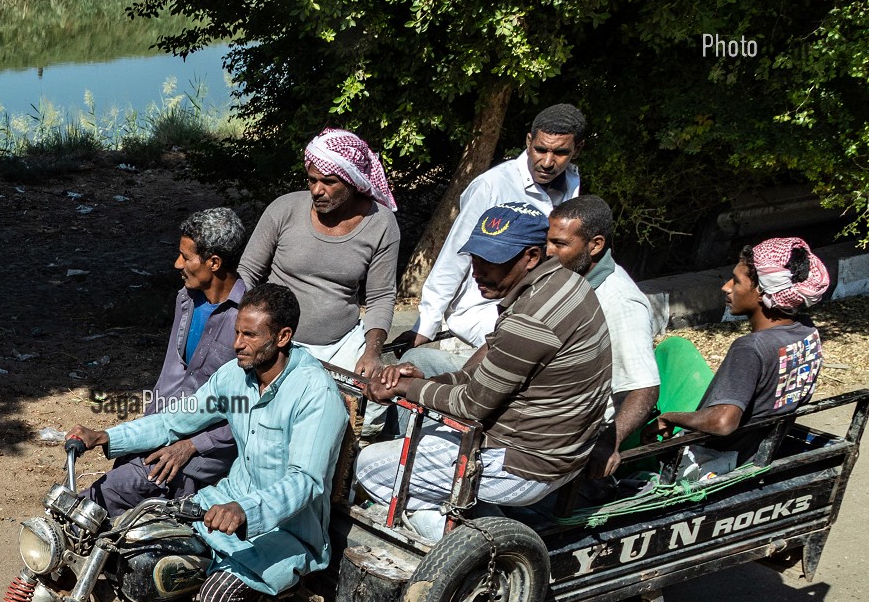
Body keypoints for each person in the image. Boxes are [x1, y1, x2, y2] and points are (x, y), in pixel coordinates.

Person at [69, 284, 349, 602]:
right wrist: (109, 436)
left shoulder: (313, 396)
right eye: (237, 332)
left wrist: (246, 510)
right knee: (140, 540)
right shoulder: (239, 380)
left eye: (250, 336)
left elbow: (306, 482)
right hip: (222, 503)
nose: (237, 343)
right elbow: (178, 418)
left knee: (217, 594)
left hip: (288, 530)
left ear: (282, 337)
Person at [354, 202, 612, 537]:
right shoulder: (565, 282)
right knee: (423, 428)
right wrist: (426, 381)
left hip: (527, 466)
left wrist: (404, 388)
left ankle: (479, 550)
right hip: (554, 449)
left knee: (369, 467)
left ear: (531, 257)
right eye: (475, 259)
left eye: (491, 261)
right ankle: (481, 517)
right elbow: (483, 377)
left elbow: (471, 405)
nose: (478, 270)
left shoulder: (532, 319)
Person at [400, 104, 586, 376]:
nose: (548, 162)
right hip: (483, 310)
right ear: (528, 141)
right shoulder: (492, 186)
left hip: (534, 302)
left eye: (560, 153)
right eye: (541, 150)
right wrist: (426, 325)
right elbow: (455, 254)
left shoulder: (571, 184)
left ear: (576, 150)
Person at [87, 207, 247, 514]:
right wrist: (137, 432)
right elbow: (171, 379)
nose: (178, 264)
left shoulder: (249, 321)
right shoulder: (185, 300)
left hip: (203, 452)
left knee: (102, 498)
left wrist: (190, 446)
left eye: (186, 257)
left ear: (214, 262)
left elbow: (249, 411)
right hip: (160, 430)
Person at [238, 128, 400, 398]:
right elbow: (248, 273)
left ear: (352, 182)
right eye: (312, 180)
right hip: (276, 345)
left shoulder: (380, 223)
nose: (316, 190)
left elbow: (381, 296)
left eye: (328, 181)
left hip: (341, 346)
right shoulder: (285, 209)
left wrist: (372, 352)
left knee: (370, 411)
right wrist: (246, 332)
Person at [651, 237, 828, 468]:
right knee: (676, 348)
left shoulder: (751, 348)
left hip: (716, 461)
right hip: (759, 450)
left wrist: (670, 417)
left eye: (736, 281)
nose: (726, 287)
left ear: (763, 292)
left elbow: (723, 422)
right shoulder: (806, 331)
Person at [544, 196, 660, 478]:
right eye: (548, 241)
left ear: (595, 245)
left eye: (560, 244)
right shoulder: (566, 276)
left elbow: (643, 387)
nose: (548, 252)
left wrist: (609, 443)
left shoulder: (620, 302)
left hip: (567, 424)